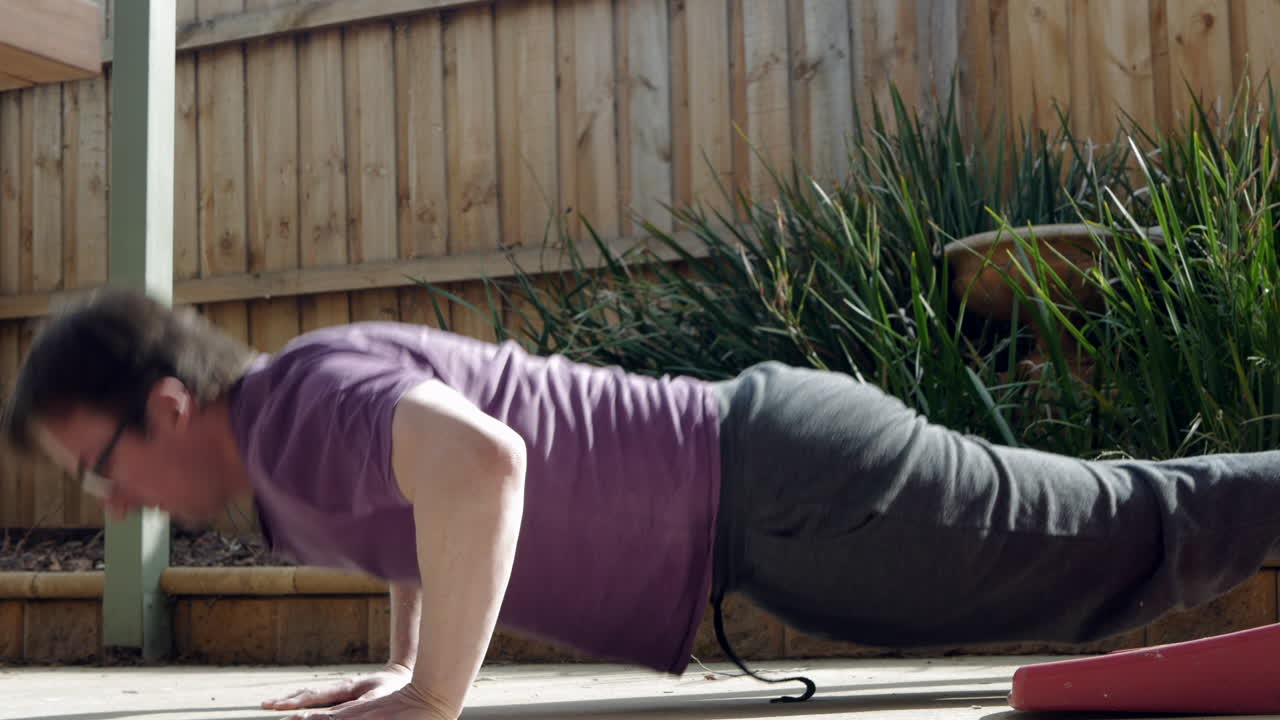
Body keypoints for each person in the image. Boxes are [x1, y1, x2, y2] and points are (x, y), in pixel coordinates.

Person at [5, 286, 1280, 720]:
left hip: (789, 486)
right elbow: (410, 511)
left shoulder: (294, 407)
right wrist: (397, 662)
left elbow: (482, 464)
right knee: (1099, 572)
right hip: (769, 524)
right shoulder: (288, 443)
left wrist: (434, 698)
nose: (110, 503)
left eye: (99, 466)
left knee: (1128, 536)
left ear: (166, 408)